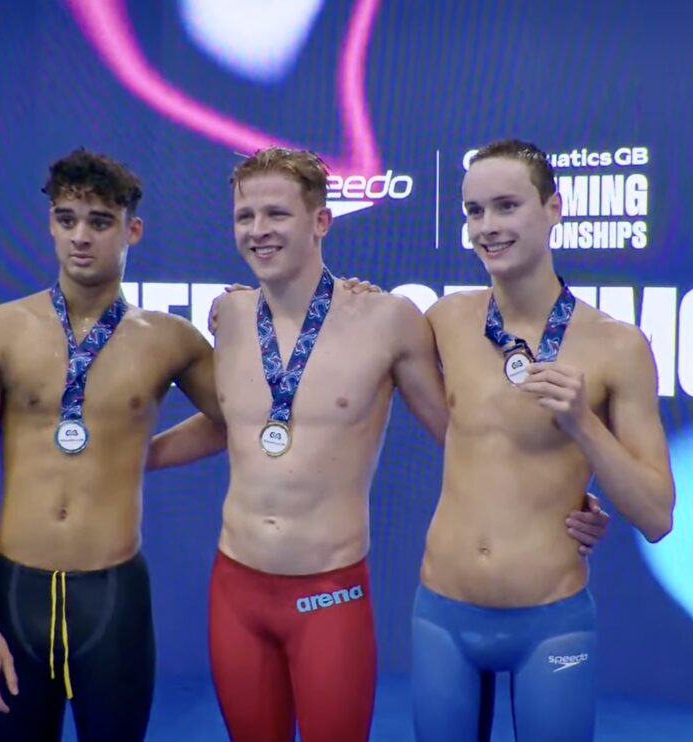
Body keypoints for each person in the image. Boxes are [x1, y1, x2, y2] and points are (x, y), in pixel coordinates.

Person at [147, 146, 610, 742]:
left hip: (329, 591)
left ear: (320, 221)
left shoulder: (388, 321)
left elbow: (465, 433)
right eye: (245, 217)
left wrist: (564, 496)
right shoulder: (230, 315)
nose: (258, 231)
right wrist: (142, 456)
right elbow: (231, 421)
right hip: (234, 584)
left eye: (276, 215)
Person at [0, 148, 225, 742]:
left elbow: (239, 420)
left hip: (113, 597)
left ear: (131, 230)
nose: (80, 237)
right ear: (50, 226)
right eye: (66, 220)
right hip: (16, 596)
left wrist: (150, 453)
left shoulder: (171, 341)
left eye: (98, 221)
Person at [410, 139, 676, 742]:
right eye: (474, 211)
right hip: (442, 611)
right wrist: (249, 304)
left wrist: (584, 425)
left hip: (550, 622)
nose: (487, 227)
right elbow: (349, 333)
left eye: (506, 206)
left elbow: (657, 515)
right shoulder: (444, 320)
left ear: (554, 208)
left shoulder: (617, 346)